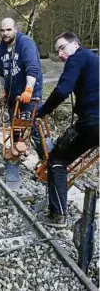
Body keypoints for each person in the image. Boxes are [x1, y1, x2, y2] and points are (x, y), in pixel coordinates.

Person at [37, 31, 99, 228]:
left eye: (62, 48)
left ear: (74, 44)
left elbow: (62, 90)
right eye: (57, 52)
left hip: (92, 120)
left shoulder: (77, 57)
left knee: (57, 160)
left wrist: (42, 112)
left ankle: (58, 215)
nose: (61, 55)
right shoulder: (94, 60)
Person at [0, 17, 43, 189]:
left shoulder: (25, 43)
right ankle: (14, 160)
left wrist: (29, 89)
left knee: (32, 128)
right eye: (2, 30)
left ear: (15, 29)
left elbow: (32, 67)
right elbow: (2, 74)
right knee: (15, 128)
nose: (5, 33)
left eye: (8, 30)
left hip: (30, 95)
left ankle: (47, 161)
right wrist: (4, 91)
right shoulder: (1, 49)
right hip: (12, 96)